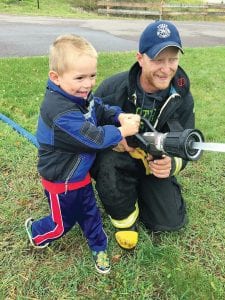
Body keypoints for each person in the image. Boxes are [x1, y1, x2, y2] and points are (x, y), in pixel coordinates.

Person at [24, 34, 140, 274]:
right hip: (60, 181)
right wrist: (121, 131)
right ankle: (37, 232)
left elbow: (97, 105)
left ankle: (99, 246)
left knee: (90, 215)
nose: (88, 84)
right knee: (62, 224)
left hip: (80, 176)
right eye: (80, 77)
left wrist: (117, 115)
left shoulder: (79, 95)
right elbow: (93, 138)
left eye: (92, 76)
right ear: (55, 77)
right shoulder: (59, 111)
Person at [91, 20, 195, 250]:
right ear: (140, 58)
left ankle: (141, 191)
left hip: (153, 166)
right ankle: (124, 221)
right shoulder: (111, 89)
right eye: (158, 60)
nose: (166, 68)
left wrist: (172, 164)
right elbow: (87, 129)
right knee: (108, 167)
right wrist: (112, 138)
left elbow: (186, 143)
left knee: (169, 222)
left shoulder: (182, 97)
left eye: (173, 59)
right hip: (117, 160)